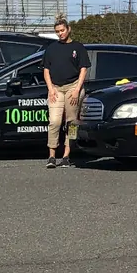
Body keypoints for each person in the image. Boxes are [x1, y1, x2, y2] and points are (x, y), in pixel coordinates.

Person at [41, 17, 89, 168]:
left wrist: (77, 89)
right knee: (54, 121)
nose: (60, 34)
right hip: (56, 88)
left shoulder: (78, 47)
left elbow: (83, 69)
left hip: (73, 87)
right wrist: (50, 88)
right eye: (57, 32)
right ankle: (51, 156)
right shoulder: (52, 48)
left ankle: (67, 155)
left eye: (62, 30)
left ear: (68, 29)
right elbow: (46, 70)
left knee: (71, 122)